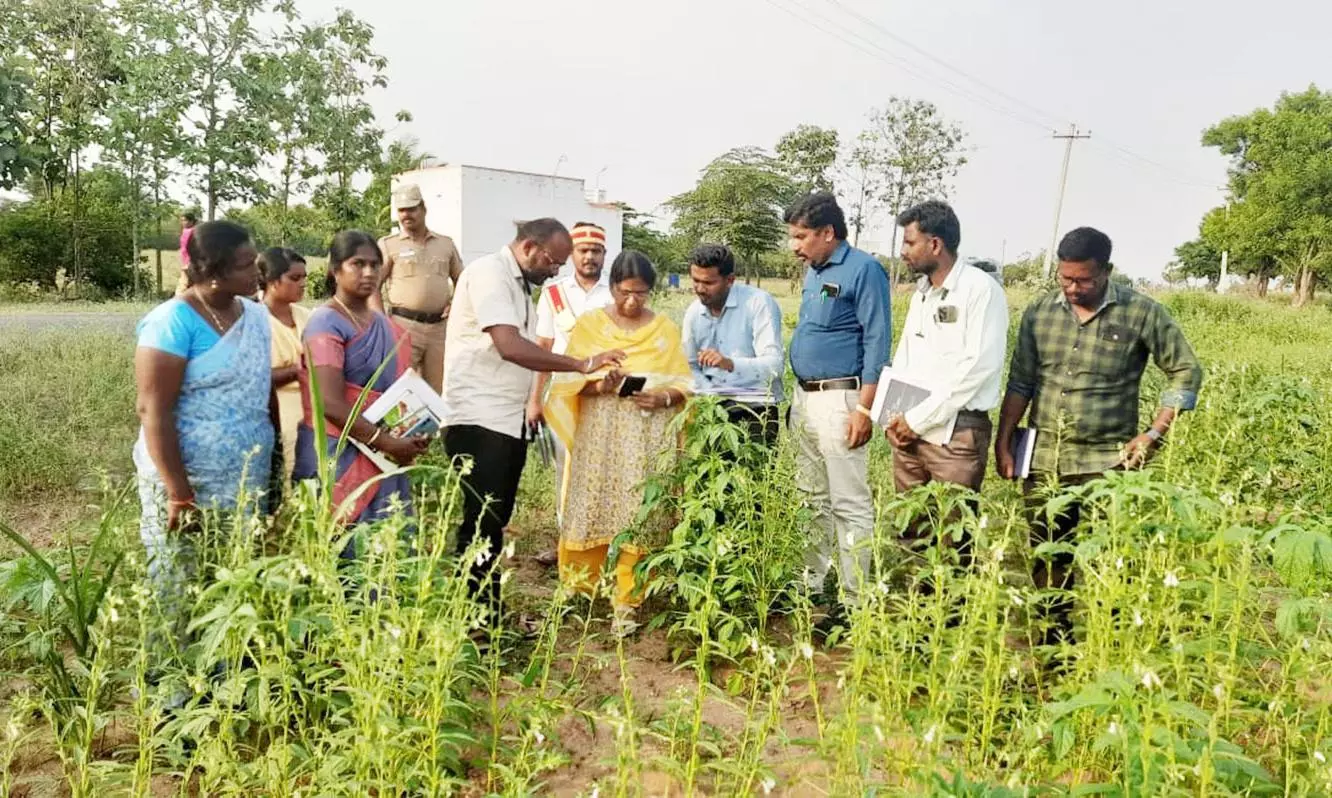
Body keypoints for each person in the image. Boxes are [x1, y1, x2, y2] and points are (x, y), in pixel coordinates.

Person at [995, 226, 1203, 645]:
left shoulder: (1142, 313)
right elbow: (1021, 382)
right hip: (1045, 459)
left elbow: (1186, 370)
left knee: (1114, 556)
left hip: (1112, 461)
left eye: (1084, 279)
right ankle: (1054, 645)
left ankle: (1113, 643)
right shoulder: (1040, 312)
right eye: (1065, 278)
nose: (1073, 287)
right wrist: (1004, 441)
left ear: (1107, 271)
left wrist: (1153, 433)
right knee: (1049, 555)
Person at [442, 219, 625, 618]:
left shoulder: (519, 285)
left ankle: (486, 614)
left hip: (504, 419)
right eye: (553, 260)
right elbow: (510, 346)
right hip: (479, 418)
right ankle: (473, 620)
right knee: (481, 522)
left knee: (494, 520)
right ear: (529, 247)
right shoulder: (489, 273)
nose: (556, 270)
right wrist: (580, 363)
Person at [133, 220, 276, 665]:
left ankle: (223, 676)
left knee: (232, 575)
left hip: (245, 473)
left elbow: (261, 388)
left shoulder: (255, 315)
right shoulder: (171, 322)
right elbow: (152, 411)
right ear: (212, 272)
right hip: (186, 481)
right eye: (246, 265)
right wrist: (179, 493)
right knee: (176, 581)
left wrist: (275, 459)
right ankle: (171, 688)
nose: (257, 271)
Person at [544, 251, 691, 634]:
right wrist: (598, 384)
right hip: (600, 431)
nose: (632, 301)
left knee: (638, 510)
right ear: (612, 289)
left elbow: (685, 383)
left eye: (641, 294)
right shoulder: (590, 325)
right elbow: (566, 382)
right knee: (591, 502)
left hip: (646, 431)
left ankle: (628, 600)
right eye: (626, 292)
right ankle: (580, 590)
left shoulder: (665, 330)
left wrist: (664, 397)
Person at [784, 191, 892, 639]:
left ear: (828, 233)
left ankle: (855, 601)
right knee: (811, 497)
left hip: (842, 399)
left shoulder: (864, 270)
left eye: (802, 236)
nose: (795, 246)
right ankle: (811, 584)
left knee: (849, 502)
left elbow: (877, 342)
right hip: (805, 399)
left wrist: (865, 408)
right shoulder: (815, 270)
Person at [886, 201, 1009, 565]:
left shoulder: (979, 290)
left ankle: (950, 620)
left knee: (953, 538)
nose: (903, 252)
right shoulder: (922, 293)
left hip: (956, 433)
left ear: (935, 244)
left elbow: (976, 369)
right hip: (908, 432)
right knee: (911, 530)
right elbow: (907, 359)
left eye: (909, 243)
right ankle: (917, 616)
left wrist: (917, 420)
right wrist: (896, 417)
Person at [293, 231, 431, 531]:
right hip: (338, 449)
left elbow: (396, 390)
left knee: (388, 545)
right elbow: (329, 402)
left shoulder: (382, 323)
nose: (368, 273)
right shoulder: (325, 322)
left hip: (383, 453)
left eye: (374, 265)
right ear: (335, 269)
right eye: (358, 264)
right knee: (344, 545)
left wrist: (413, 431)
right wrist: (386, 442)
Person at [526, 221, 613, 566]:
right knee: (567, 471)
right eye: (583, 250)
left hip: (605, 396)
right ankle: (567, 545)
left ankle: (602, 546)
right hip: (563, 398)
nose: (589, 257)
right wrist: (534, 399)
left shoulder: (615, 293)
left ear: (605, 254)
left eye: (596, 251)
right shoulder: (554, 294)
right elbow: (543, 348)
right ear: (572, 254)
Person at [682, 243, 784, 447]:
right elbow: (689, 364)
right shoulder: (694, 312)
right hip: (710, 411)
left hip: (754, 412)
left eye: (709, 282)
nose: (700, 289)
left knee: (753, 476)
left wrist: (730, 363)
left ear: (730, 280)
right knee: (708, 477)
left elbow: (775, 366)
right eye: (695, 281)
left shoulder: (758, 303)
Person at [370, 184, 465, 395]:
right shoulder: (388, 245)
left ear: (423, 208)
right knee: (400, 390)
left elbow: (462, 279)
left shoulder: (445, 244)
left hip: (438, 329)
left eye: (411, 209)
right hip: (403, 327)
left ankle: (432, 430)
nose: (406, 215)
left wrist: (454, 303)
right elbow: (373, 286)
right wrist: (381, 321)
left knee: (436, 392)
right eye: (401, 210)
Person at [259, 247, 311, 492]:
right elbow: (254, 377)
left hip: (314, 399)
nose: (302, 284)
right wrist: (297, 370)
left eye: (304, 278)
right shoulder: (254, 319)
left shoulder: (307, 316)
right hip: (280, 402)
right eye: (294, 278)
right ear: (271, 281)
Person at [173, 211, 198, 297]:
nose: (183, 222)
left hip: (190, 262)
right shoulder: (185, 231)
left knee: (182, 286)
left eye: (185, 220)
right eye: (182, 220)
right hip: (186, 262)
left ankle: (177, 301)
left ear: (191, 221)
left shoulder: (192, 231)